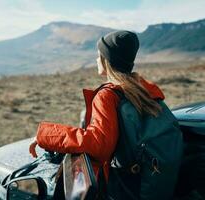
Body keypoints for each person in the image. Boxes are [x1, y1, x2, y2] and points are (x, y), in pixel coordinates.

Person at [29, 30, 179, 199]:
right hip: (143, 181)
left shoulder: (108, 95)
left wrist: (45, 134)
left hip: (123, 187)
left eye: (98, 54)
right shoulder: (143, 90)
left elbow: (98, 144)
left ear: (106, 59)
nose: (95, 59)